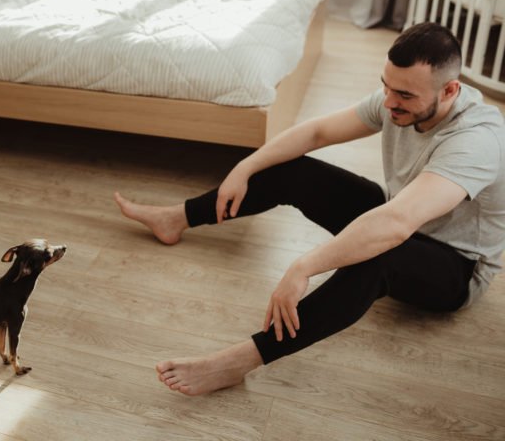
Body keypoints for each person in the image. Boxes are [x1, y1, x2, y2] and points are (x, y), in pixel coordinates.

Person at [114, 22, 505, 396]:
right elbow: (317, 132)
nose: (388, 102)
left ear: (451, 90)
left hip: (456, 268)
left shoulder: (476, 141)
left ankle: (240, 361)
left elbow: (397, 223)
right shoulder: (398, 96)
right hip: (399, 220)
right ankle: (176, 218)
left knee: (381, 253)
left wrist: (303, 267)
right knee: (292, 170)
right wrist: (245, 166)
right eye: (386, 87)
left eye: (404, 96)